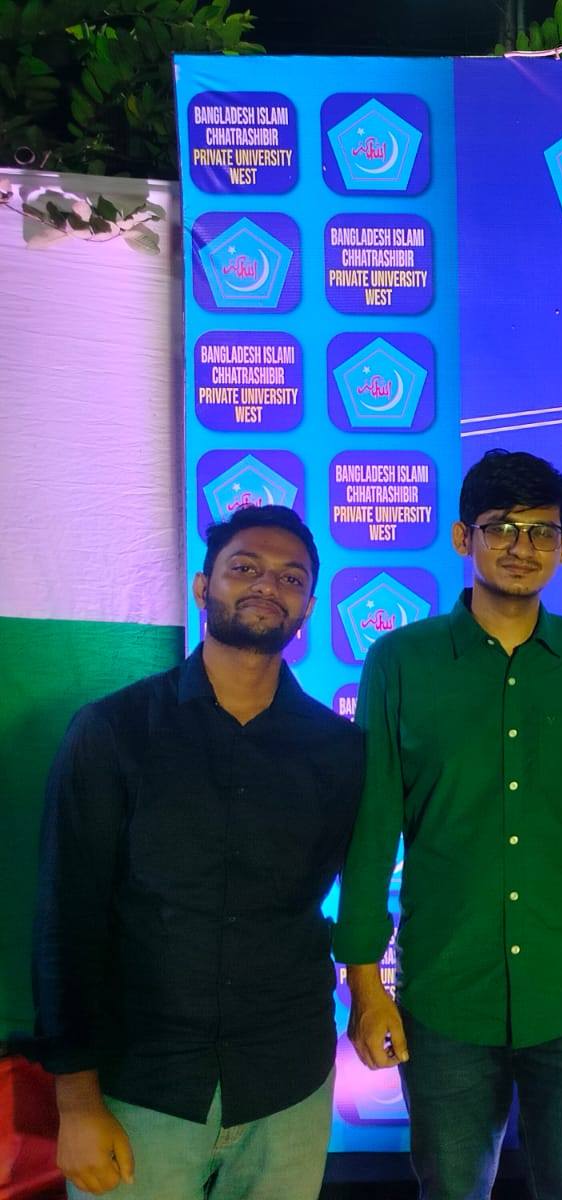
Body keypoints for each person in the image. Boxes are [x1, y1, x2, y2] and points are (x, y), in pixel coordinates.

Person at [335, 450, 562, 1200]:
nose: (522, 547)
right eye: (501, 528)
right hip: (445, 994)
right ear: (463, 538)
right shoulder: (401, 661)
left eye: (541, 531)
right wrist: (365, 985)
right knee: (450, 1189)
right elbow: (371, 828)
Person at [32, 505, 360, 1199]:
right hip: (140, 1090)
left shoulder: (339, 751)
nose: (267, 585)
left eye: (291, 577)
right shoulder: (113, 732)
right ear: (202, 586)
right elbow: (67, 919)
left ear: (309, 606)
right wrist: (76, 1102)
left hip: (287, 1086)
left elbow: (354, 895)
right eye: (245, 567)